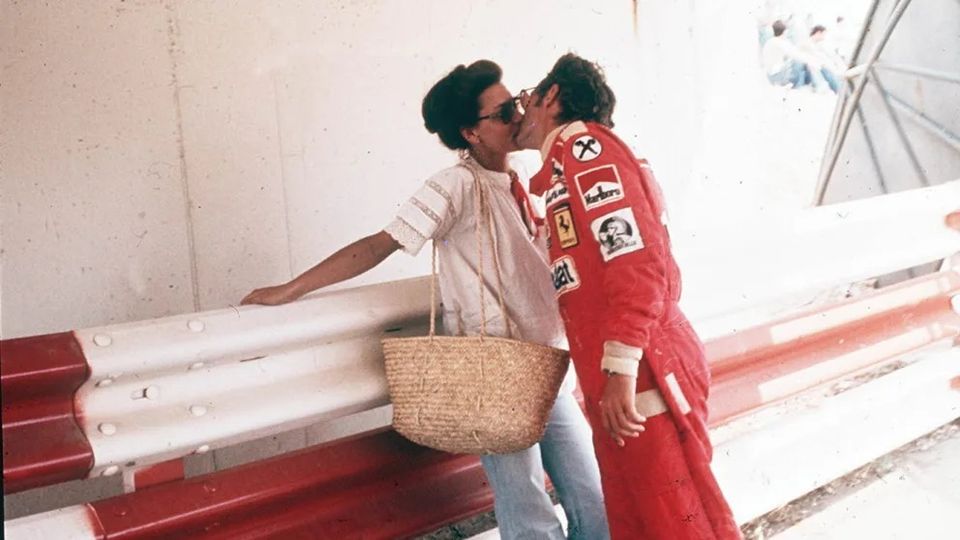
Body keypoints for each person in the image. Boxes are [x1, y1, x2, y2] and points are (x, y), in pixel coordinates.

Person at [241, 60, 609, 540]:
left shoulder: (523, 182)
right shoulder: (455, 185)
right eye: (502, 114)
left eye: (516, 104)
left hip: (546, 369)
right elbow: (381, 243)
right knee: (530, 518)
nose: (519, 116)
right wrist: (291, 289)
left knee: (596, 502)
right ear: (470, 133)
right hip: (494, 371)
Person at [515, 53, 742, 539]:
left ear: (551, 97)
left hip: (643, 368)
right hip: (620, 372)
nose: (520, 112)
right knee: (637, 523)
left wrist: (619, 370)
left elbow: (637, 266)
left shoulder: (586, 151)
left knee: (677, 521)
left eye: (524, 99)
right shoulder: (562, 168)